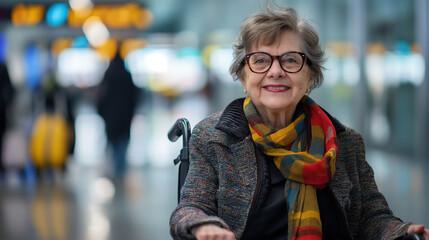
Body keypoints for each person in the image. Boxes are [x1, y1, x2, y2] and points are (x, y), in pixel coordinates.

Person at [169, 7, 429, 240]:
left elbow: (372, 218)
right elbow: (190, 208)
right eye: (260, 60)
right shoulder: (214, 137)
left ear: (311, 75)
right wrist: (204, 226)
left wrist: (401, 232)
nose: (276, 71)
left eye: (291, 60)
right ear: (242, 74)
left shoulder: (345, 141)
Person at [97, 53, 139, 180]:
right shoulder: (127, 76)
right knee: (122, 145)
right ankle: (120, 172)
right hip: (125, 118)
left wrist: (102, 113)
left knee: (112, 144)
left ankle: (114, 171)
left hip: (111, 118)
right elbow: (134, 98)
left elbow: (101, 97)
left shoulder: (108, 75)